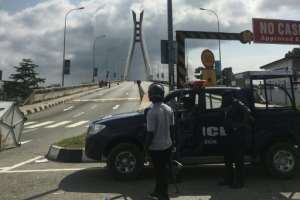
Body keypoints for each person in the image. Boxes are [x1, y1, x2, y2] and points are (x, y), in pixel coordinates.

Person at [145, 83, 175, 200]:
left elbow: (150, 133)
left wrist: (145, 148)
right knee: (163, 170)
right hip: (167, 145)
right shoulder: (169, 109)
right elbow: (172, 128)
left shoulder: (151, 112)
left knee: (159, 172)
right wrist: (173, 143)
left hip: (156, 148)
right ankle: (158, 191)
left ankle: (164, 195)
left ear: (151, 95)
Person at [219, 92, 253, 189]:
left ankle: (239, 182)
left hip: (238, 137)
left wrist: (240, 125)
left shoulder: (238, 104)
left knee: (238, 160)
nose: (223, 99)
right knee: (228, 159)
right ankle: (229, 180)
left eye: (225, 96)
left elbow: (247, 112)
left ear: (231, 96)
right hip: (229, 136)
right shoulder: (227, 105)